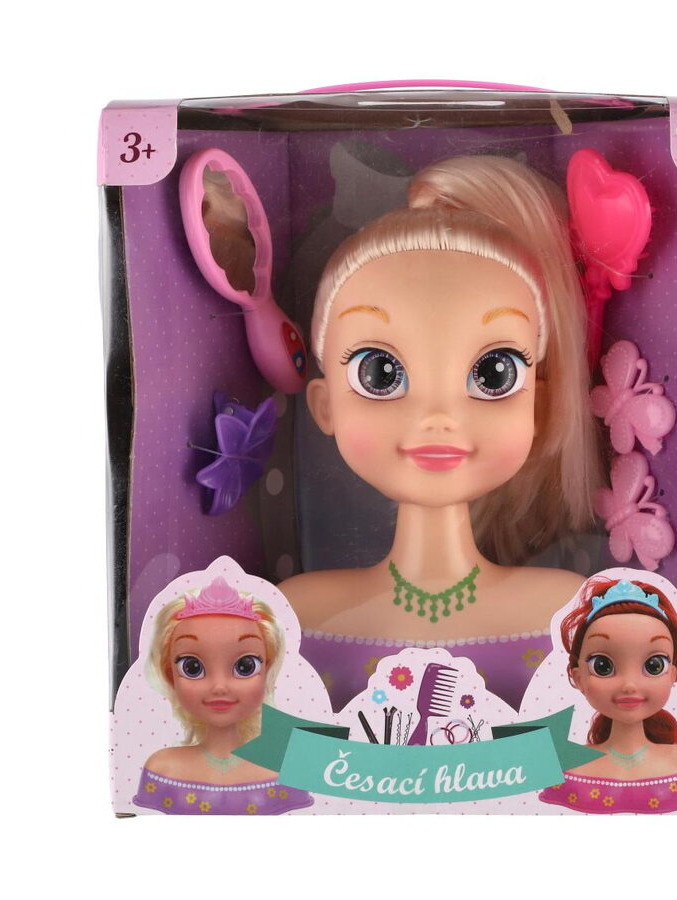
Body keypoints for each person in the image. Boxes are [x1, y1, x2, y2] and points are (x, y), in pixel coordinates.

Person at [281, 155, 603, 710]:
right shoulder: (294, 614)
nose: (437, 416)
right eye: (380, 373)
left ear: (539, 404)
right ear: (325, 405)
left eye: (494, 373)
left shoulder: (568, 613)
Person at [132, 576, 312, 815]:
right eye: (192, 667)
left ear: (267, 671)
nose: (219, 687)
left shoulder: (285, 770)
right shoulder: (162, 769)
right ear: (169, 675)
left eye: (245, 666)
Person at [538, 578, 677, 814]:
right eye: (602, 666)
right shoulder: (566, 770)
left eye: (654, 665)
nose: (629, 685)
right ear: (578, 677)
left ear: (672, 674)